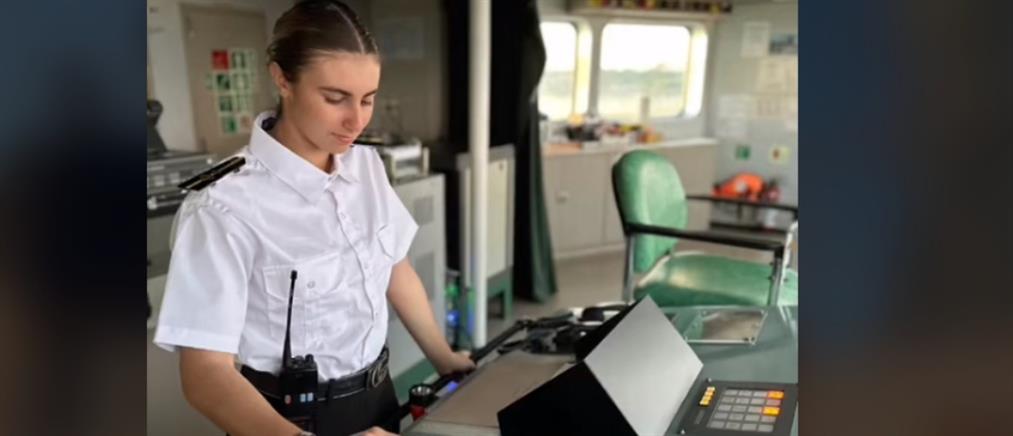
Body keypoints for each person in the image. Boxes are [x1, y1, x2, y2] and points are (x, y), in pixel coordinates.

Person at [152, 1, 474, 435]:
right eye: (335, 98)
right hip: (286, 420)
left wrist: (446, 360)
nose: (356, 121)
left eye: (367, 99)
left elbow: (394, 269)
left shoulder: (365, 165)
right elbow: (205, 376)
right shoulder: (223, 205)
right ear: (282, 79)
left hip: (378, 400)